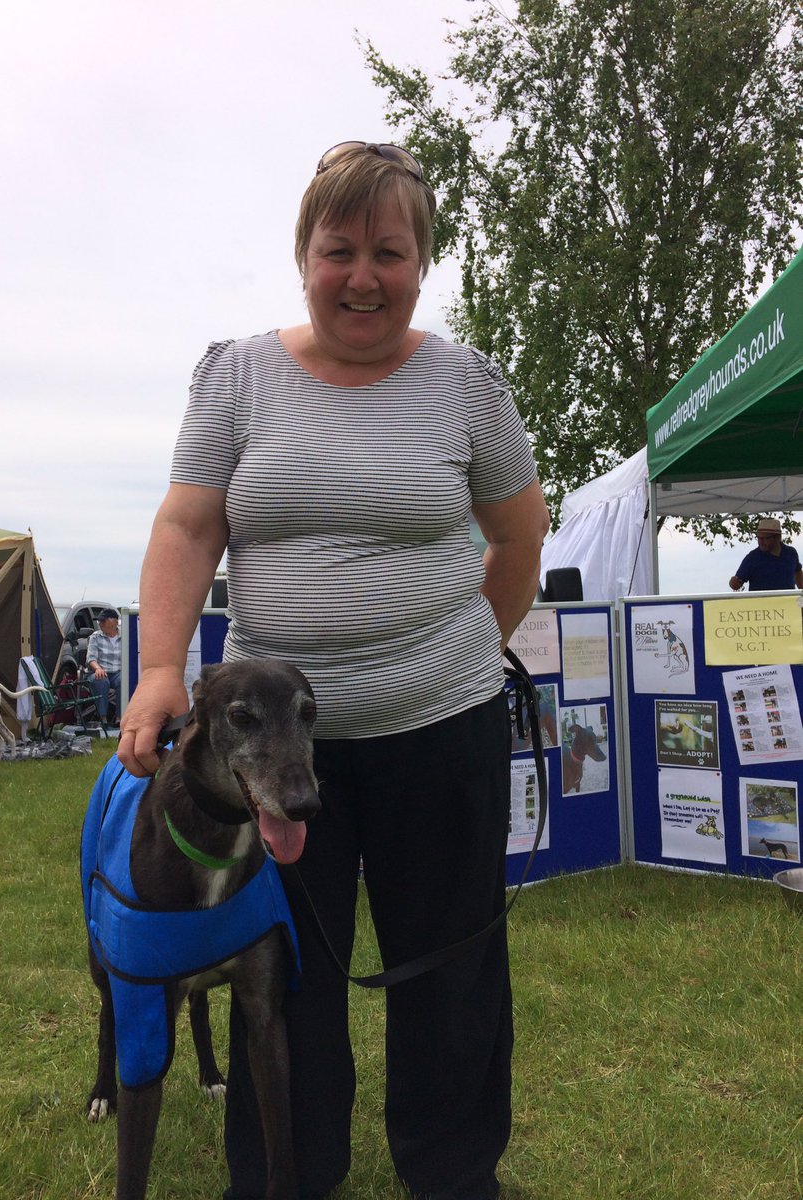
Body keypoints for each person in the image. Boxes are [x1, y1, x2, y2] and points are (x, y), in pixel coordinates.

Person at [118, 141, 550, 1200]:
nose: (364, 275)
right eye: (339, 249)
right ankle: (283, 1182)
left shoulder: (468, 387)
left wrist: (452, 656)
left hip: (441, 734)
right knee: (286, 982)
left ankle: (453, 1178)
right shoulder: (236, 375)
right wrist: (161, 665)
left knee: (449, 970)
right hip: (265, 762)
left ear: (422, 262)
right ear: (303, 255)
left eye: (390, 253)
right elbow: (188, 523)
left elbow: (519, 537)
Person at [728, 517, 803, 591]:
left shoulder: (791, 553)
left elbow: (798, 573)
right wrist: (733, 583)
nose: (761, 542)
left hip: (788, 602)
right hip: (761, 602)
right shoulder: (752, 558)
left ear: (778, 537)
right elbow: (736, 584)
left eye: (765, 538)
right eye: (759, 538)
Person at [84, 608, 122, 725]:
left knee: (124, 681)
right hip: (99, 671)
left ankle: (120, 717)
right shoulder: (95, 637)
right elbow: (91, 658)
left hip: (117, 672)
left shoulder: (125, 636)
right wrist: (97, 668)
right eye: (99, 621)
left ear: (115, 621)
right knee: (102, 681)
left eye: (103, 621)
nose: (100, 624)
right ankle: (103, 718)